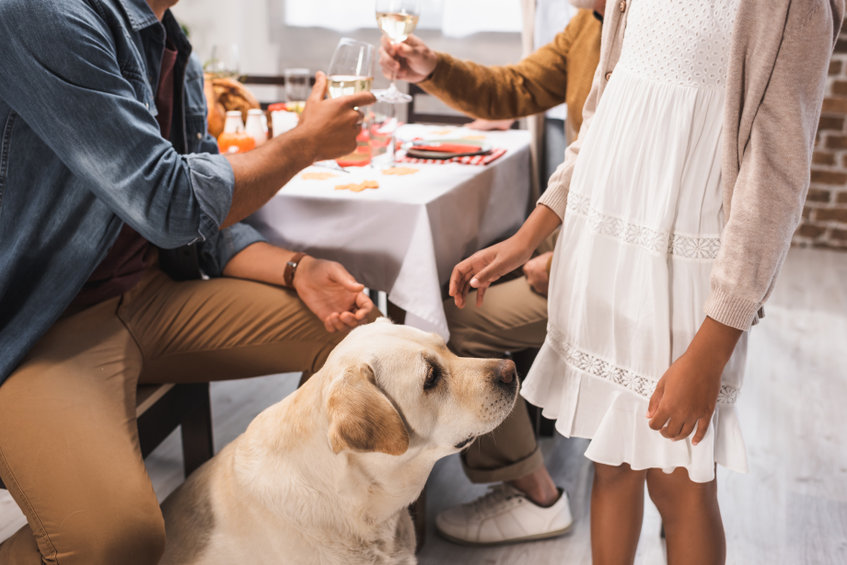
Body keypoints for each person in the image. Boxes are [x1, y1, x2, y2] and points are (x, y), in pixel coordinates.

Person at [450, 0, 843, 563]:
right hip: (603, 254)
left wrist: (711, 349)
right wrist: (527, 235)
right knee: (611, 469)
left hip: (686, 275)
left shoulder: (793, 9)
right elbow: (605, 120)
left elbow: (774, 182)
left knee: (680, 486)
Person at [0, 0, 378, 563]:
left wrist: (295, 269)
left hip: (151, 297)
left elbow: (201, 227)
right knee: (115, 540)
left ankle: (302, 528)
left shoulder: (170, 44)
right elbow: (168, 202)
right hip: (42, 322)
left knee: (360, 341)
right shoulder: (41, 14)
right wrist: (303, 145)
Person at [379, 0, 602, 546]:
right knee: (444, 289)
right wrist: (433, 68)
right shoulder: (590, 24)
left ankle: (536, 494)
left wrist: (569, 260)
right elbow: (516, 87)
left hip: (606, 265)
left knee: (448, 323)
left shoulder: (657, 32)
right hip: (577, 244)